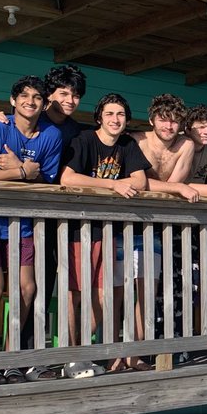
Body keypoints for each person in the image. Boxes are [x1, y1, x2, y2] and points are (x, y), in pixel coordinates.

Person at [0, 76, 63, 384]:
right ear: (12, 100)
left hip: (22, 222)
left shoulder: (51, 134)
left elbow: (47, 179)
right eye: (24, 96)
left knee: (27, 288)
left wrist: (14, 169)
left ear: (44, 104)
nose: (30, 101)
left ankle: (11, 360)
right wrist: (23, 171)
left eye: (36, 97)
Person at [60, 93, 151, 375]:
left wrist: (119, 183)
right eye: (110, 114)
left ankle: (86, 353)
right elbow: (68, 177)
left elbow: (140, 181)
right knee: (74, 294)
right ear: (99, 117)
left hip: (107, 230)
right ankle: (72, 358)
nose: (115, 119)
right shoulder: (85, 140)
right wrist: (112, 185)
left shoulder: (126, 145)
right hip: (78, 228)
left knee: (101, 296)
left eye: (121, 115)